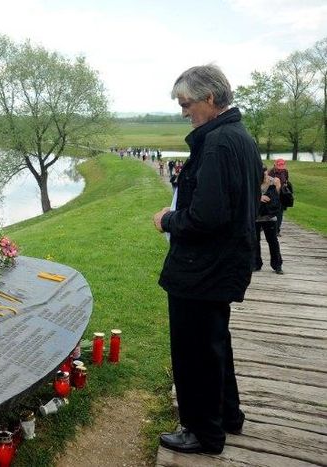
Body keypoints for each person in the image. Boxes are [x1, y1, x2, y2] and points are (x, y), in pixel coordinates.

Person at [152, 64, 263, 455]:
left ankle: (203, 432)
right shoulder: (239, 137)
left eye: (187, 104)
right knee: (214, 344)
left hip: (202, 270)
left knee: (194, 352)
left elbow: (206, 217)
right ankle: (227, 417)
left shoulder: (217, 143)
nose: (184, 112)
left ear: (210, 99)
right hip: (220, 265)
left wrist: (167, 220)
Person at [254, 166, 283, 274]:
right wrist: (259, 197)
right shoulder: (252, 182)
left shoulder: (273, 182)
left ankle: (277, 265)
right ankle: (256, 263)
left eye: (266, 174)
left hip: (270, 217)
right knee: (255, 241)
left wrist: (278, 186)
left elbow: (278, 198)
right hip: (255, 216)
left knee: (272, 241)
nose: (265, 176)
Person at [268, 158, 289, 236]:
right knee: (273, 212)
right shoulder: (271, 172)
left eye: (282, 166)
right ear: (275, 165)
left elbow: (286, 180)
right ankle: (271, 228)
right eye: (279, 165)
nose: (280, 168)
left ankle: (277, 230)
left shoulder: (285, 171)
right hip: (273, 194)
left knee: (280, 213)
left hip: (282, 195)